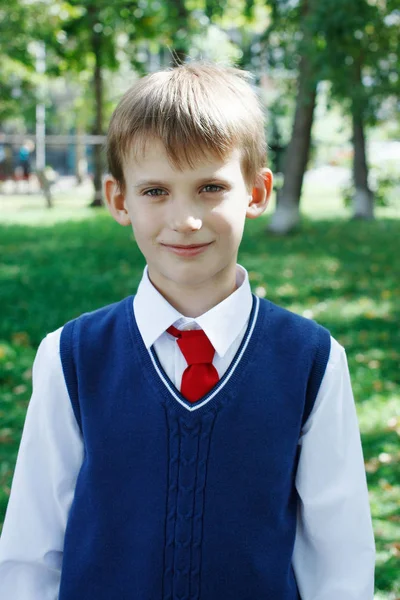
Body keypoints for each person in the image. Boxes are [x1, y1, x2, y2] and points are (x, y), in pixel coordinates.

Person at [0, 62, 375, 599]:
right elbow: (31, 554)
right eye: (155, 191)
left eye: (210, 187)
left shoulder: (312, 361)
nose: (186, 218)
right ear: (117, 199)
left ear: (256, 192)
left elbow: (339, 561)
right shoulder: (71, 357)